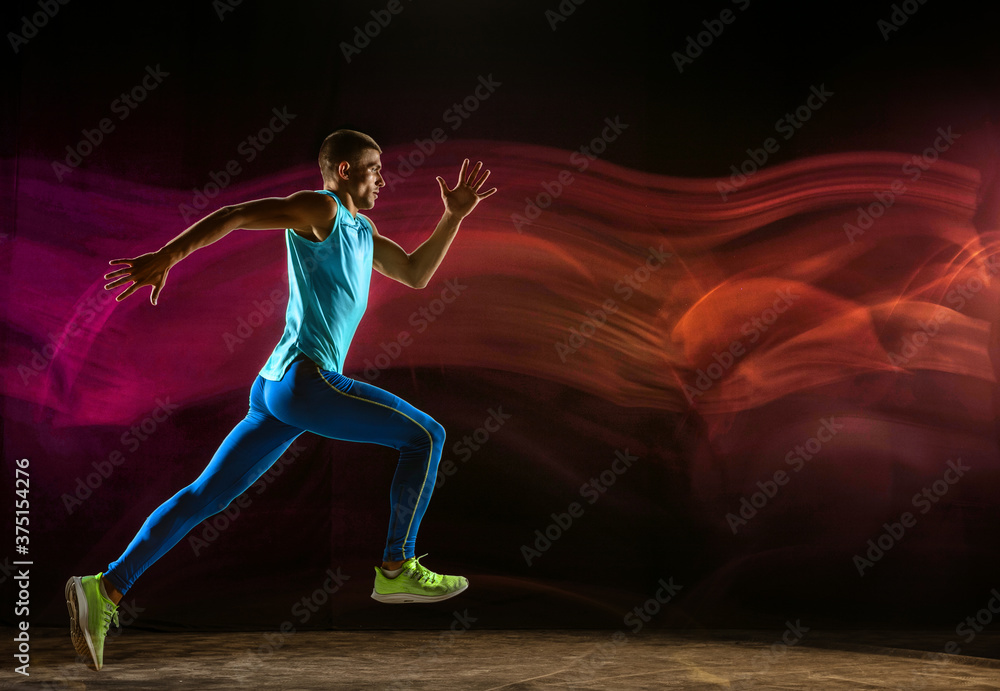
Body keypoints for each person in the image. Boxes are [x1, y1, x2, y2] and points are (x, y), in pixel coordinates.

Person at [65, 129, 497, 670]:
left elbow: (415, 272)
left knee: (205, 497)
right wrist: (170, 256)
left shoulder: (362, 231)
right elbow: (236, 215)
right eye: (372, 167)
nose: (382, 178)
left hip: (275, 389)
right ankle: (396, 568)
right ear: (342, 171)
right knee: (427, 436)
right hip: (305, 381)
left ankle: (105, 589)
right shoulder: (322, 210)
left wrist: (453, 216)